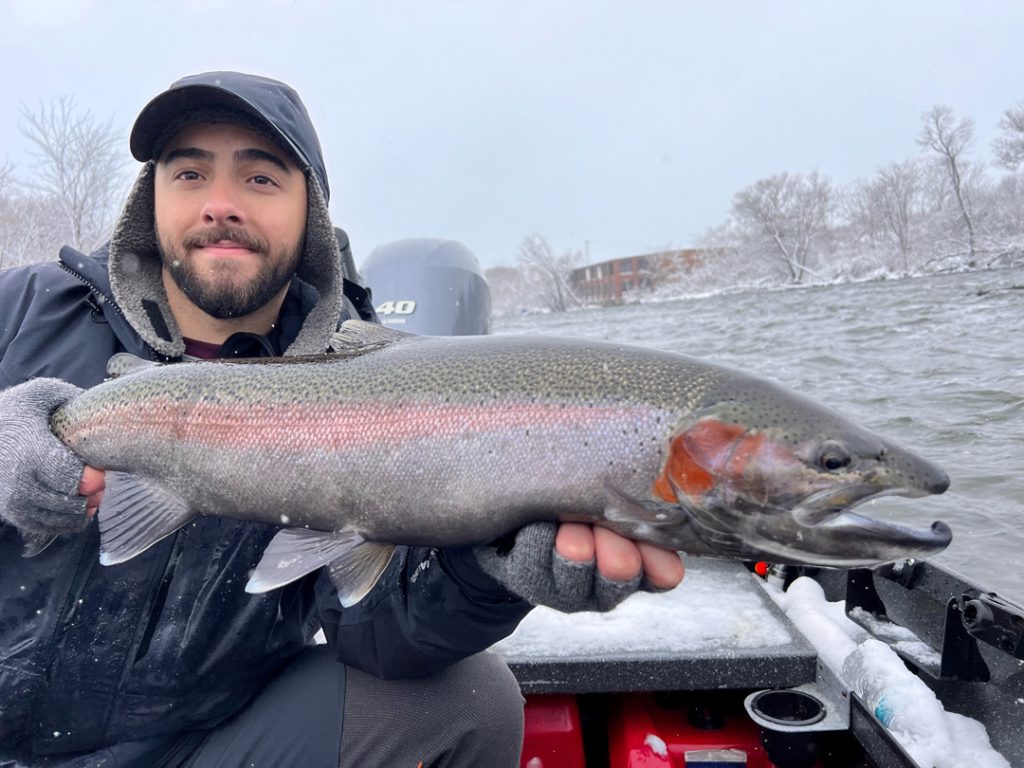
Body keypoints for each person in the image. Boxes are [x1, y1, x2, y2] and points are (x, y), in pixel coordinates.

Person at [0, 71, 685, 768]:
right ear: (151, 200)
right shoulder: (23, 307)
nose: (220, 205)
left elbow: (379, 633)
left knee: (474, 700)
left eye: (261, 179)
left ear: (312, 214)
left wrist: (489, 572)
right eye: (189, 174)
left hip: (207, 746)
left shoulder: (369, 382)